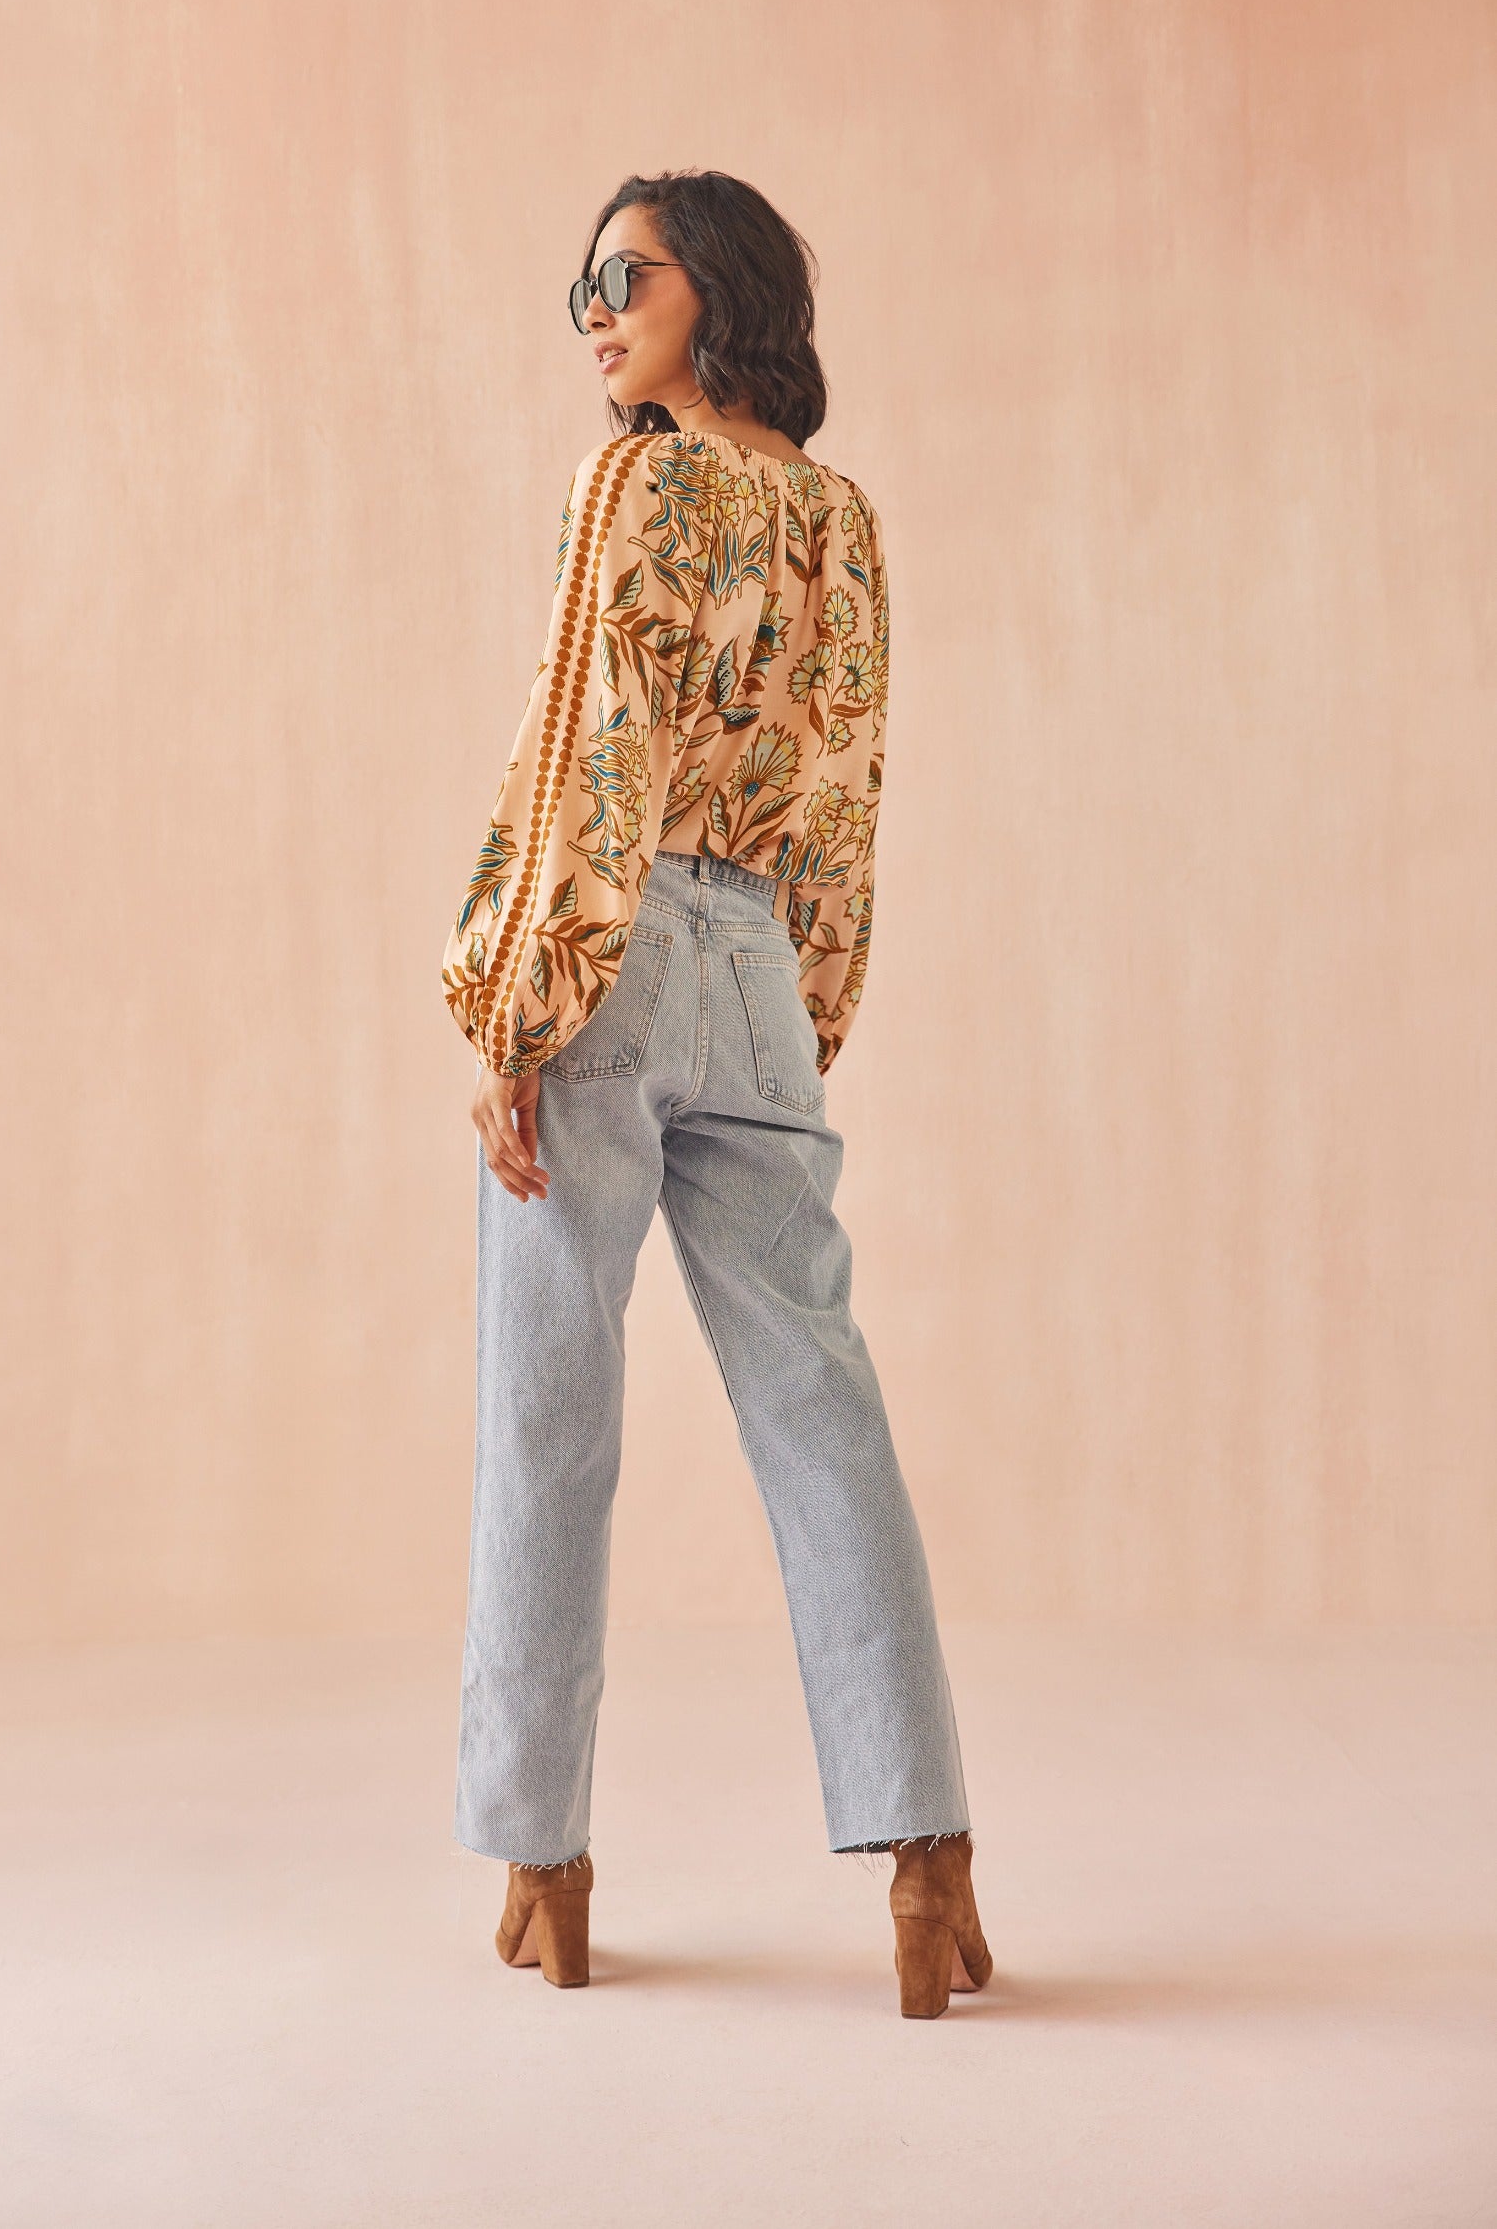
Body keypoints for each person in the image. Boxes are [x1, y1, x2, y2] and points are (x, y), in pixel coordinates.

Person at [438, 170, 993, 2018]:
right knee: (821, 1408)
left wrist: (513, 1005)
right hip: (756, 960)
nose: (596, 311)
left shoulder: (639, 482)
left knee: (549, 1407)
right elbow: (844, 793)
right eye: (579, 285)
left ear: (717, 289)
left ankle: (542, 1859)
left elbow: (587, 749)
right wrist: (796, 1013)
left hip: (605, 952)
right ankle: (927, 1850)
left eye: (628, 274)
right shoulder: (841, 517)